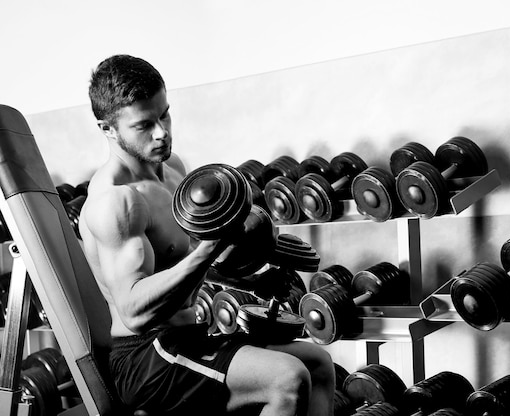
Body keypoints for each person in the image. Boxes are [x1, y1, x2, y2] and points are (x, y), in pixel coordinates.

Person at [79, 54, 335, 416]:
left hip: (189, 336)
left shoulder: (172, 170)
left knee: (317, 363)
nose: (162, 132)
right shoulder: (116, 202)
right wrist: (211, 248)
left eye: (165, 114)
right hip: (145, 357)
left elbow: (179, 262)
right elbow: (135, 311)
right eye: (144, 124)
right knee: (287, 378)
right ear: (107, 128)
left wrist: (252, 277)